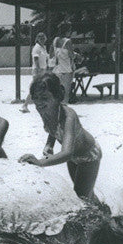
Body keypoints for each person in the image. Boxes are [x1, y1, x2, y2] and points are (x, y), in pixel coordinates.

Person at [18, 73, 102, 201]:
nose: (39, 102)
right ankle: (102, 209)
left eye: (44, 97)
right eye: (35, 98)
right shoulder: (45, 110)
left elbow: (67, 153)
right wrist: (49, 145)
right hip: (74, 157)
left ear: (57, 97)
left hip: (88, 155)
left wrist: (40, 162)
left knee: (81, 197)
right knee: (84, 193)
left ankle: (103, 213)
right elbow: (53, 129)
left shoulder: (69, 116)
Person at [20, 32, 49, 112]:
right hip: (38, 70)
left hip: (43, 70)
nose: (42, 40)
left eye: (43, 38)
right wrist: (39, 69)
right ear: (37, 39)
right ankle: (25, 105)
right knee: (34, 88)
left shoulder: (43, 47)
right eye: (41, 38)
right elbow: (36, 59)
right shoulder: (37, 48)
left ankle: (29, 105)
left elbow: (46, 57)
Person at [51, 21, 76, 104]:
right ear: (67, 30)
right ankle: (64, 110)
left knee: (58, 91)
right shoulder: (67, 41)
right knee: (66, 91)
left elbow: (51, 54)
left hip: (57, 69)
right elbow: (71, 55)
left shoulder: (55, 40)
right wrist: (76, 55)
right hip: (66, 68)